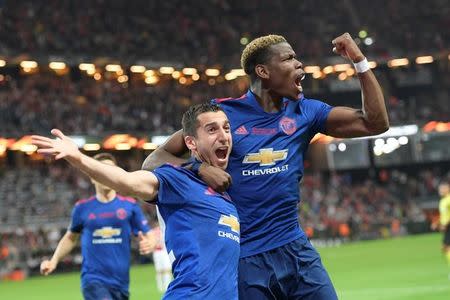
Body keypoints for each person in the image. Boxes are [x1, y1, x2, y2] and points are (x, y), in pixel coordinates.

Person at [142, 33, 389, 299]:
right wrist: (199, 169)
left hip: (296, 251)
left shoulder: (305, 112)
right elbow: (153, 161)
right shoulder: (223, 115)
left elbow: (374, 123)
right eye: (289, 58)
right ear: (263, 71)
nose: (299, 64)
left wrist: (359, 60)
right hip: (246, 259)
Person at [32, 103, 240, 299]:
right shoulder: (177, 180)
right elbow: (127, 180)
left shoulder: (224, 194)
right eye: (212, 130)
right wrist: (78, 158)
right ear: (190, 142)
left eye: (226, 128)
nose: (223, 136)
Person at [39, 153, 156, 300]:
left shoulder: (129, 206)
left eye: (110, 170)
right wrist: (53, 261)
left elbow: (149, 234)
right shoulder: (82, 208)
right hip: (94, 280)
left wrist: (150, 243)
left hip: (121, 284)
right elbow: (70, 238)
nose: (106, 175)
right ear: (92, 176)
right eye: (101, 170)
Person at [433, 182, 450, 277]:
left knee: (446, 247)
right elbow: (444, 214)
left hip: (449, 226)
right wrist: (437, 222)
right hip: (446, 226)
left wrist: (446, 224)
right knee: (445, 248)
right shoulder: (443, 201)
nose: (440, 191)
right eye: (440, 189)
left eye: (442, 189)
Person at [150, 222, 172, 293]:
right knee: (161, 270)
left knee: (164, 269)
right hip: (159, 251)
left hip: (162, 251)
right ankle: (162, 286)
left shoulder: (159, 230)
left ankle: (164, 286)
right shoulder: (162, 229)